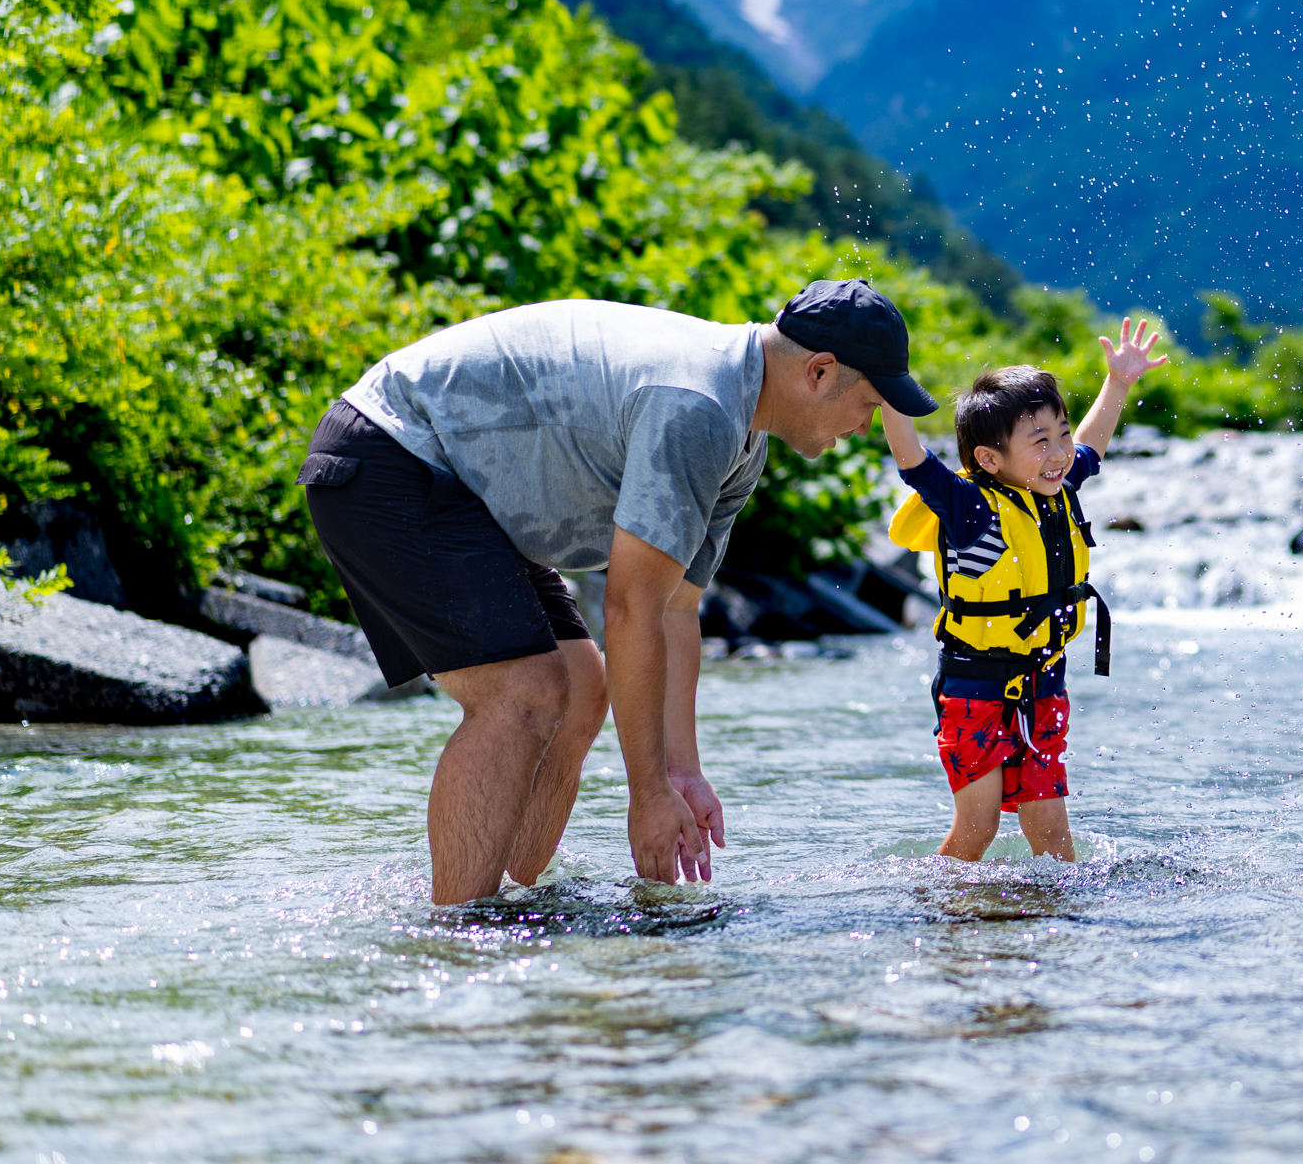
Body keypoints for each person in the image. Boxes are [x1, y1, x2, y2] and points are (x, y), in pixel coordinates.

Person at [296, 278, 934, 905]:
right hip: (392, 453)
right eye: (871, 404)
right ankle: (455, 940)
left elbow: (676, 606)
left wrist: (679, 771)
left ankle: (517, 898)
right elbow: (629, 608)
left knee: (583, 685)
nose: (866, 424)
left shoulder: (742, 437)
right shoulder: (700, 408)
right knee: (524, 691)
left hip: (469, 496)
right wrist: (646, 794)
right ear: (820, 372)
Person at [878, 321, 1168, 860]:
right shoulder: (972, 510)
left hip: (1044, 684)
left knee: (1053, 836)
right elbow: (913, 462)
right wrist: (889, 388)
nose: (1061, 451)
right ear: (990, 459)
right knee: (978, 828)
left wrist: (1119, 383)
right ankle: (939, 920)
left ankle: (1059, 930)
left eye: (1062, 433)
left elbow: (1094, 446)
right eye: (1041, 441)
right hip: (974, 690)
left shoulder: (1053, 487)